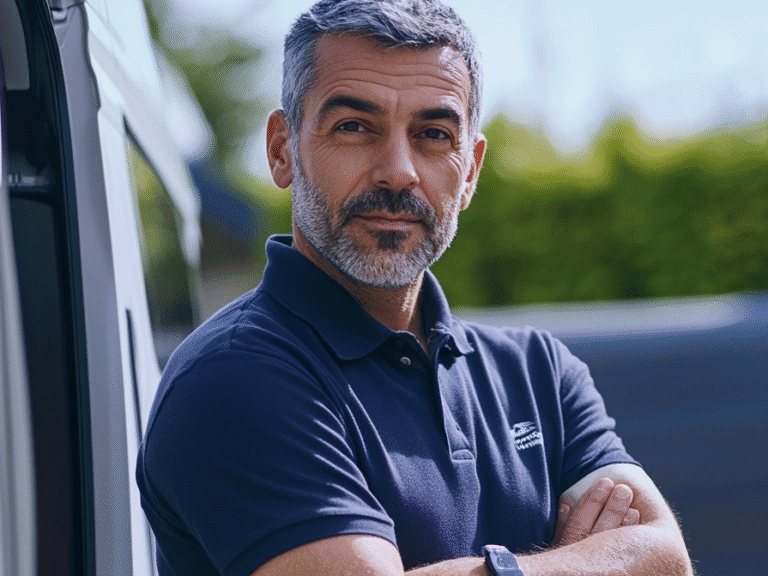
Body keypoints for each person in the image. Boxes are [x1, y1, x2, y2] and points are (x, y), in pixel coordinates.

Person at [136, 1, 693, 575]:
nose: (398, 170)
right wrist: (577, 563)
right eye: (355, 127)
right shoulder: (235, 376)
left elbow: (667, 560)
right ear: (283, 150)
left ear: (470, 171)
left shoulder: (539, 373)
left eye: (433, 134)